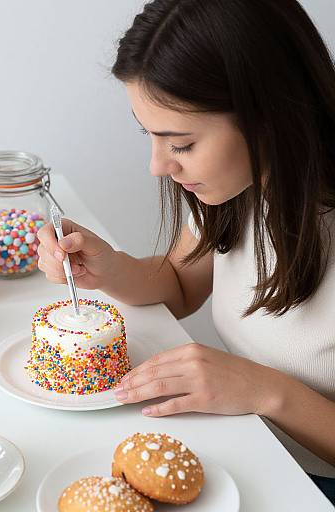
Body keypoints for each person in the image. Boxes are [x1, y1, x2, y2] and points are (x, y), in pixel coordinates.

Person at [37, 0, 335, 504]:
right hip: (248, 447)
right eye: (151, 136)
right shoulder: (242, 185)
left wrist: (267, 391)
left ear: (270, 115)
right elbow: (178, 285)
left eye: (181, 143)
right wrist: (109, 268)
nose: (157, 166)